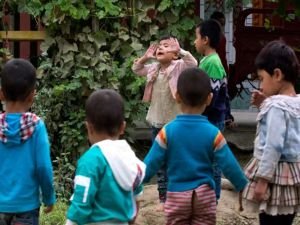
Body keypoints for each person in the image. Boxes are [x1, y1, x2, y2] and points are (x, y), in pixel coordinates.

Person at [143, 67, 248, 225]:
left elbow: (151, 164)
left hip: (177, 195)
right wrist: (243, 185)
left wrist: (133, 184)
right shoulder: (213, 133)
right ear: (209, 98)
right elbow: (229, 164)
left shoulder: (167, 132)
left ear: (177, 96)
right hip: (205, 197)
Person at [132, 36, 197, 206]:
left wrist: (180, 50)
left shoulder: (179, 66)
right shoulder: (154, 68)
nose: (161, 48)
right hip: (156, 122)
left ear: (174, 55)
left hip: (175, 124)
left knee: (175, 158)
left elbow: (193, 64)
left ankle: (177, 192)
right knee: (160, 160)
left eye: (166, 46)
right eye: (159, 46)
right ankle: (163, 195)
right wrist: (145, 57)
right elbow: (136, 69)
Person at [66, 89, 146, 225]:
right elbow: (136, 196)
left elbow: (81, 202)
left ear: (88, 127)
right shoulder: (129, 157)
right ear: (122, 127)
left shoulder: (91, 159)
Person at [242, 40, 300, 225]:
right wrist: (264, 104)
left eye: (261, 78)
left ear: (277, 74)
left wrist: (263, 180)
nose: (261, 84)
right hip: (291, 176)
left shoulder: (276, 107)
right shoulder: (296, 103)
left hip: (275, 178)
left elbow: (273, 144)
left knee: (269, 221)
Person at [0, 59, 56, 225]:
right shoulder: (37, 126)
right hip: (27, 208)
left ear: (1, 93)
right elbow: (43, 167)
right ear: (32, 95)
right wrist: (49, 197)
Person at [194, 19, 229, 200]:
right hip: (209, 120)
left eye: (196, 37)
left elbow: (214, 97)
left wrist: (200, 115)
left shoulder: (213, 63)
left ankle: (213, 199)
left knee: (213, 162)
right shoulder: (207, 60)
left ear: (205, 39)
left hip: (212, 120)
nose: (195, 42)